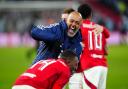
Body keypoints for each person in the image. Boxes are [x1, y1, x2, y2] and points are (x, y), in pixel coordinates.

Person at [69, 4, 110, 89]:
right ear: (91, 15)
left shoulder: (78, 28)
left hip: (90, 66)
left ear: (78, 15)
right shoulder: (98, 28)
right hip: (103, 65)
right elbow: (106, 51)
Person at [12, 50, 79, 89]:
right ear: (68, 61)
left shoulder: (44, 61)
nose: (76, 67)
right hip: (33, 86)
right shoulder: (65, 69)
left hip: (17, 84)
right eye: (75, 64)